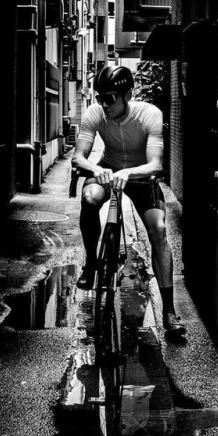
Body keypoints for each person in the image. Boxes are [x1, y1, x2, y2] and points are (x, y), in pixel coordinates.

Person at [72, 65, 186, 340]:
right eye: (100, 97)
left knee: (158, 230)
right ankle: (91, 262)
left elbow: (155, 164)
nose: (103, 103)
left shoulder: (149, 114)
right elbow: (78, 157)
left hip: (139, 176)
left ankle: (169, 312)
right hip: (108, 168)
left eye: (110, 97)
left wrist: (129, 172)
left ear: (128, 94)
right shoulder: (95, 113)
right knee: (89, 198)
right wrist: (95, 168)